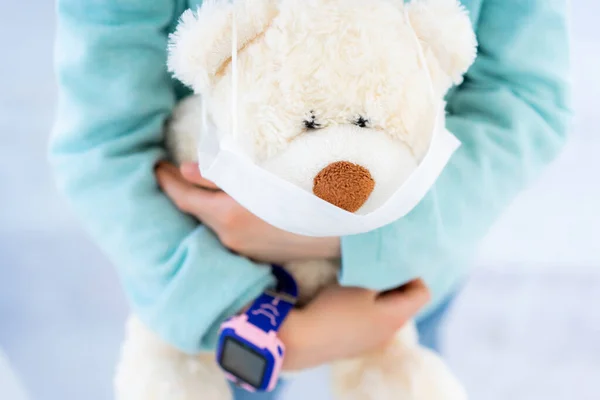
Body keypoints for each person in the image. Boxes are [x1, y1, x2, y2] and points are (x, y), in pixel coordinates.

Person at [49, 0, 571, 398]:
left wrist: (361, 243)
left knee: (401, 367)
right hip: (205, 279)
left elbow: (524, 98)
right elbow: (104, 144)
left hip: (406, 280)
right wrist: (250, 322)